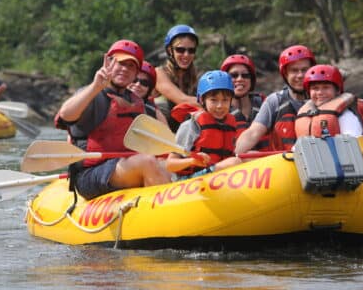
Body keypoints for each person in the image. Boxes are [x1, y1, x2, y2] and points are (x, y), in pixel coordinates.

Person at [56, 39, 171, 200]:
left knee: (161, 165)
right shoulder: (92, 94)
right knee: (147, 162)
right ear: (109, 63)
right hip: (90, 175)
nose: (125, 69)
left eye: (131, 66)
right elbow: (65, 115)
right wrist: (96, 87)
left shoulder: (137, 103)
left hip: (123, 168)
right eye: (121, 63)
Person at [235, 45, 316, 155]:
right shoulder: (275, 101)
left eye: (304, 70)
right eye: (294, 71)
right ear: (285, 74)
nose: (300, 75)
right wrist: (236, 154)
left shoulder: (325, 97)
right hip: (286, 164)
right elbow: (253, 133)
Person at [166, 70, 242, 179]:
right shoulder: (191, 126)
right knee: (234, 163)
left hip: (217, 175)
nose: (220, 106)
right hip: (189, 181)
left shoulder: (230, 124)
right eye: (213, 100)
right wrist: (192, 161)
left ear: (231, 101)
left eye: (225, 100)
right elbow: (170, 165)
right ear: (202, 100)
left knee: (246, 160)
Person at [295, 64, 363, 137]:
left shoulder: (347, 115)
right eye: (315, 88)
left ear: (337, 91)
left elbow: (352, 143)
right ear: (309, 92)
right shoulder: (306, 113)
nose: (320, 92)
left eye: (326, 87)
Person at [155, 24, 200, 131]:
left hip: (186, 140)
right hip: (161, 138)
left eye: (191, 50)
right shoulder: (159, 73)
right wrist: (214, 103)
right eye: (180, 50)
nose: (186, 55)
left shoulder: (195, 79)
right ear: (170, 51)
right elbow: (182, 99)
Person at [220, 54, 270, 151]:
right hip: (236, 163)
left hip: (268, 163)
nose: (240, 79)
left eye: (245, 75)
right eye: (233, 75)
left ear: (251, 80)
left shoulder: (265, 104)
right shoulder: (218, 110)